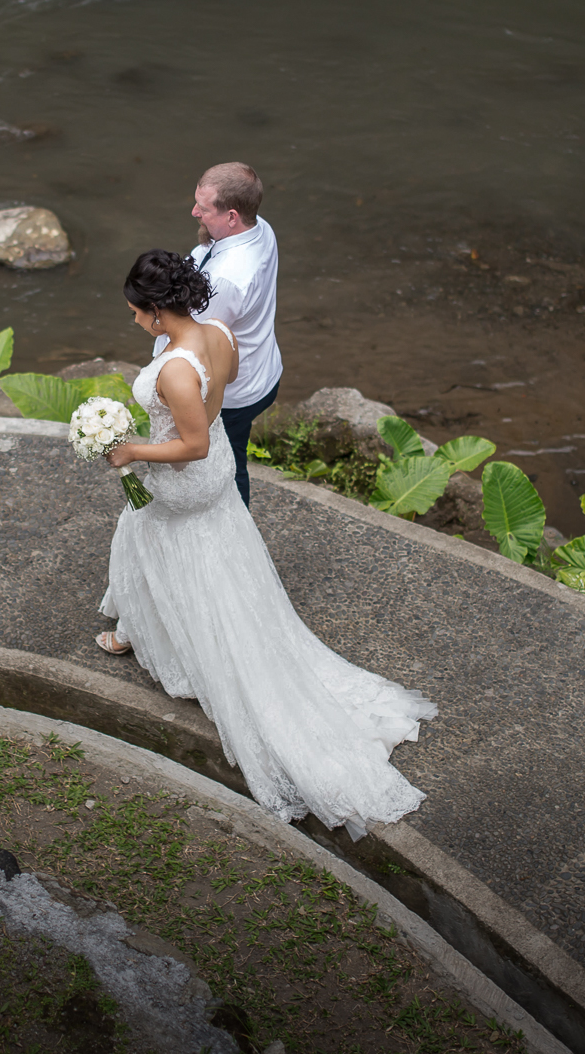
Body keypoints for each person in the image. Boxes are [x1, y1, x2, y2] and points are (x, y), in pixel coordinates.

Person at [94, 249, 437, 840]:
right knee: (186, 548)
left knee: (150, 535)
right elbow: (217, 406)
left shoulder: (173, 368)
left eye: (134, 312)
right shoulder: (220, 334)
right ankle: (133, 629)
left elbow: (193, 443)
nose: (133, 321)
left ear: (154, 311)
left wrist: (130, 451)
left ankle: (149, 636)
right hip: (217, 475)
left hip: (187, 475)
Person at [170, 162, 279, 508]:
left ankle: (236, 538)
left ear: (232, 216)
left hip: (232, 394)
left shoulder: (227, 280)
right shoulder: (260, 226)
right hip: (262, 367)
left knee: (227, 470)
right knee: (232, 458)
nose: (194, 213)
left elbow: (191, 339)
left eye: (203, 209)